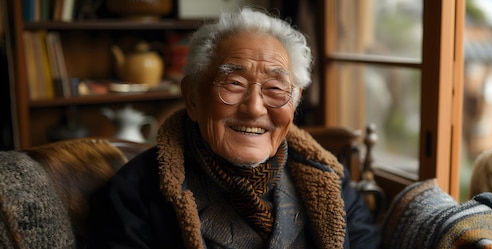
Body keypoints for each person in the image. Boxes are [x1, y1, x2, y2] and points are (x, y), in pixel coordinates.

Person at [87, 7, 381, 249]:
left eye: (276, 88)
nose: (254, 108)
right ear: (192, 97)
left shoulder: (326, 180)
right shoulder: (136, 192)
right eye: (234, 83)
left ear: (295, 101)